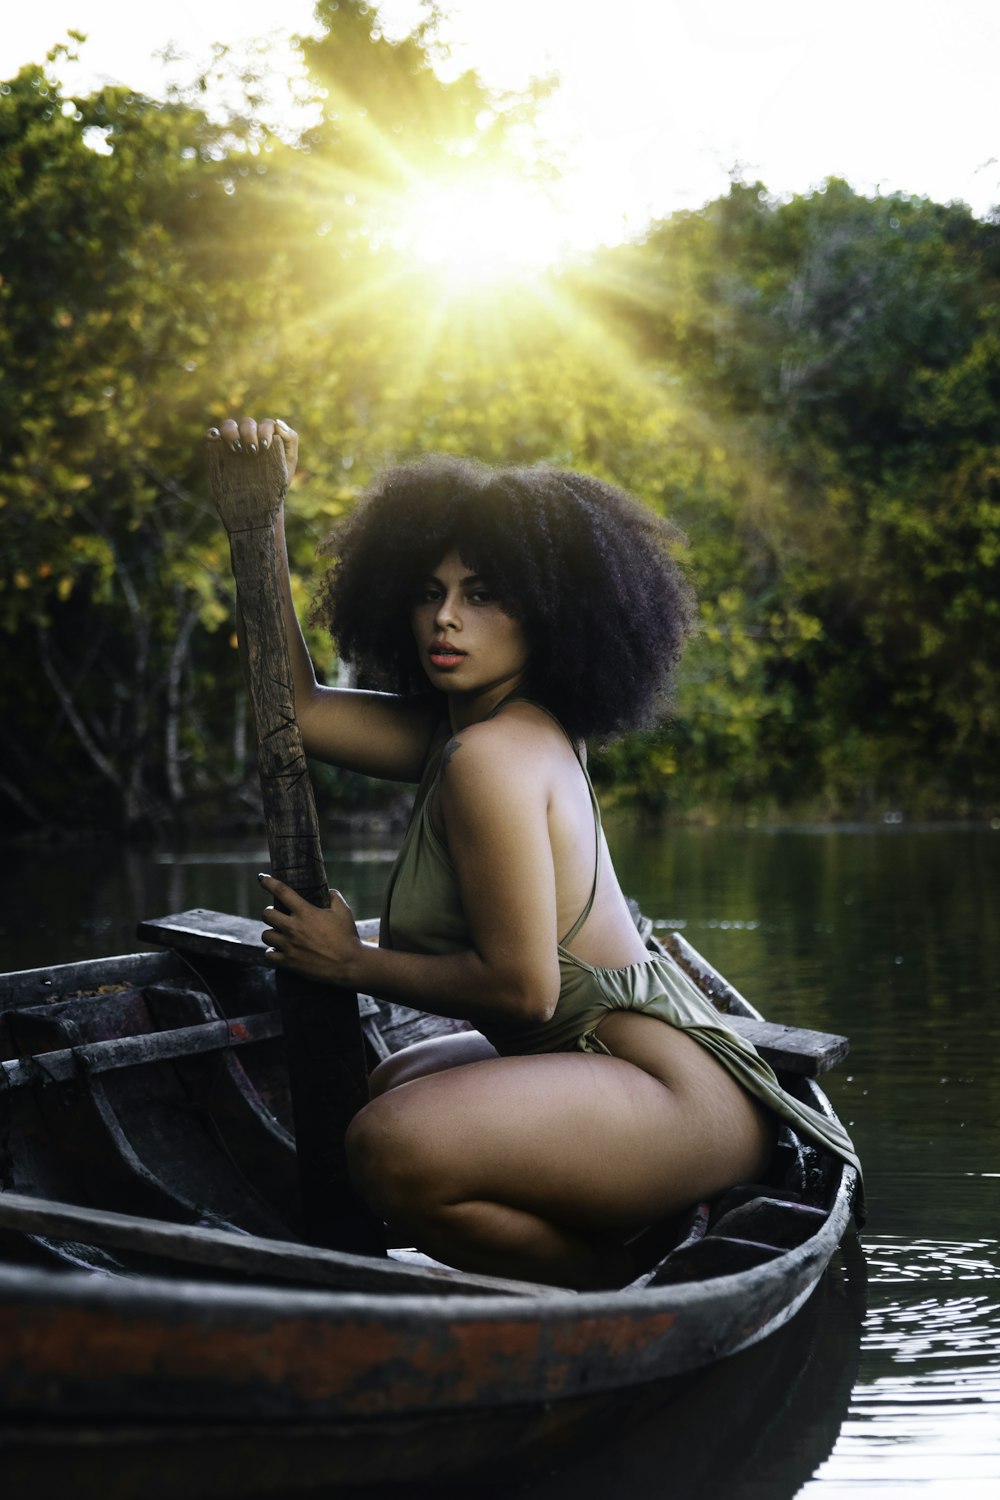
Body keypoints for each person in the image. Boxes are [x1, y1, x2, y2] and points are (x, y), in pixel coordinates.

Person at [207, 415, 859, 1290]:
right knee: (397, 1078)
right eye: (429, 590)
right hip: (629, 1075)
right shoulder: (478, 729)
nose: (445, 618)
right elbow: (294, 707)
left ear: (550, 610)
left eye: (484, 593)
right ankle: (615, 1233)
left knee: (389, 1144)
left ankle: (609, 1273)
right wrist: (259, 517)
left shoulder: (490, 758)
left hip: (671, 1096)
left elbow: (523, 989)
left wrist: (349, 961)